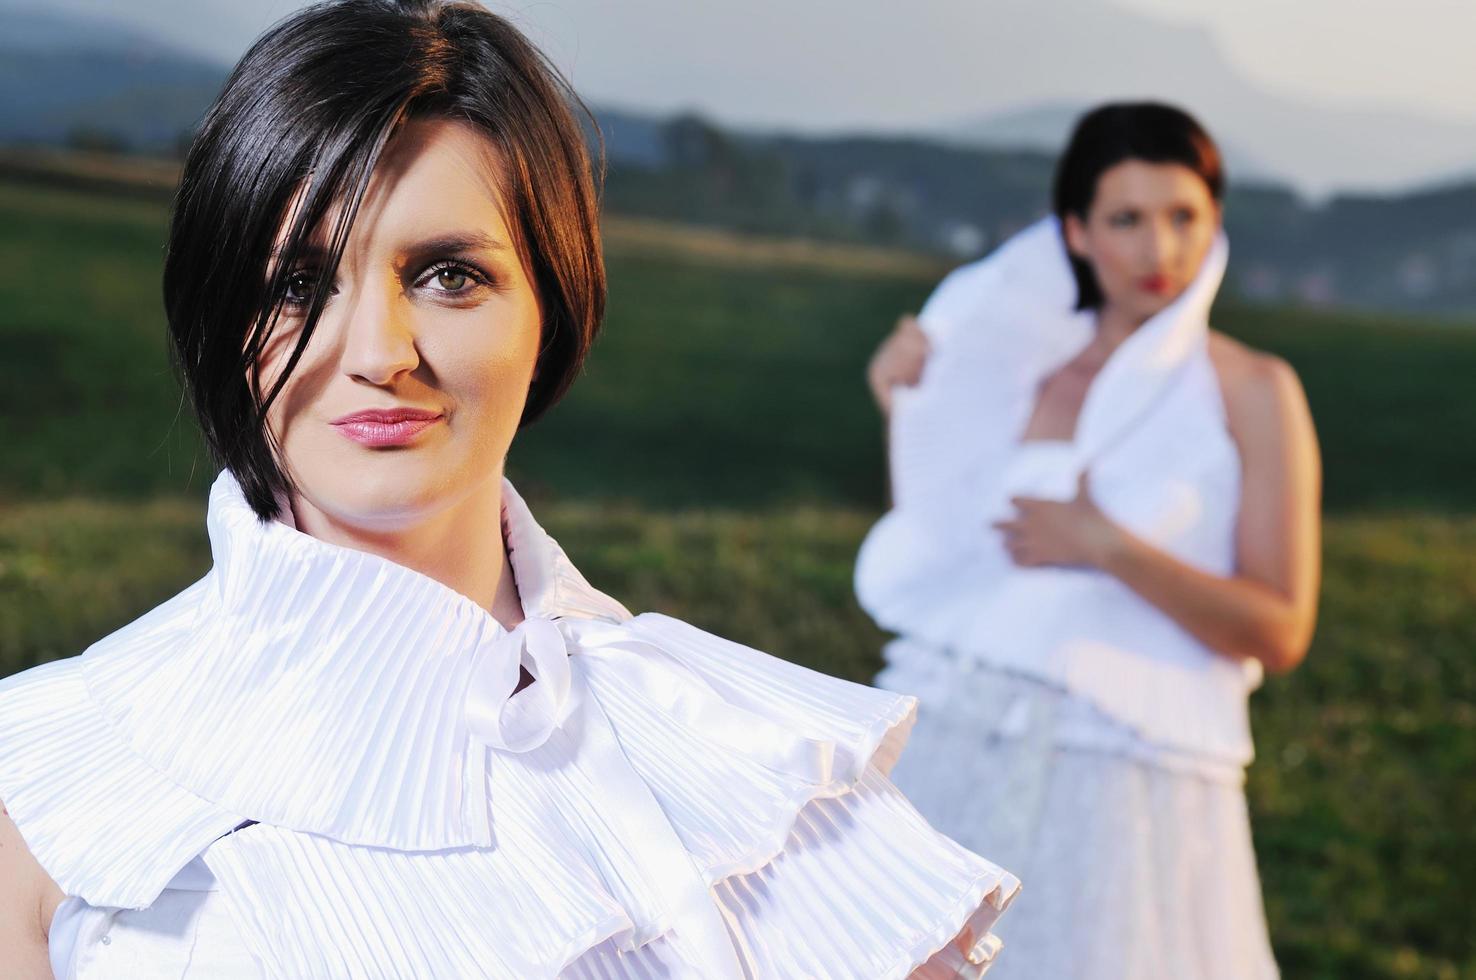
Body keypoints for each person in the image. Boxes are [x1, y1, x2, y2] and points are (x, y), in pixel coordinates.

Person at [0, 2, 1021, 976]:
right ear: (222, 320)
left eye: (448, 274)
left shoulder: (753, 763)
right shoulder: (43, 770)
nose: (380, 352)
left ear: (553, 308)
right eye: (299, 285)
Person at [855, 102, 1322, 979]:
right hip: (959, 746)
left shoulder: (1255, 388)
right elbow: (951, 557)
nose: (1159, 251)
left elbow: (1282, 628)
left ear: (1216, 220)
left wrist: (1106, 545)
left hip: (1128, 781)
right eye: (1126, 220)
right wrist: (908, 407)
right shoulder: (1018, 370)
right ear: (1075, 232)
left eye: (1183, 217)